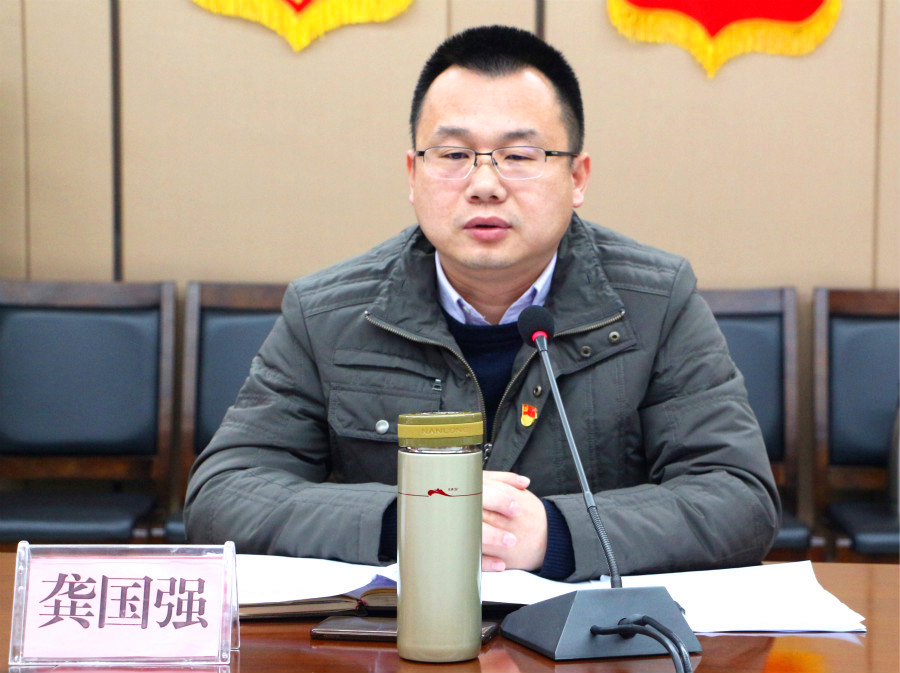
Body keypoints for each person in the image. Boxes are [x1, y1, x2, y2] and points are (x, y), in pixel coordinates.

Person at [184, 25, 780, 581]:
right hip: (391, 633)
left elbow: (737, 499)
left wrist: (555, 534)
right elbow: (223, 494)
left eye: (519, 156)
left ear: (577, 178)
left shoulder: (655, 302)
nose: (485, 184)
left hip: (590, 635)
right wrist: (407, 521)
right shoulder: (327, 314)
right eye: (453, 155)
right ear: (413, 174)